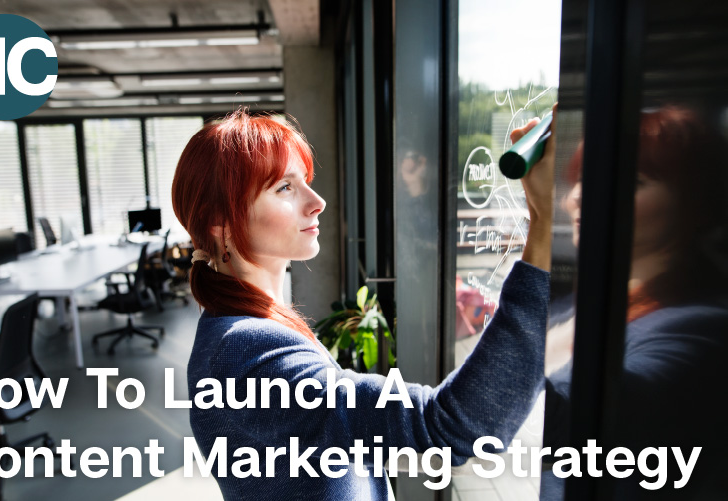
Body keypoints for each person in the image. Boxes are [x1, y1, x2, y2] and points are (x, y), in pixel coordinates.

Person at [171, 109, 556, 500]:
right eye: (284, 188)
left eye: (304, 181)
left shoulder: (241, 327)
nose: (317, 201)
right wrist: (544, 225)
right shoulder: (248, 352)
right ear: (220, 223)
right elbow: (455, 426)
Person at [539, 105, 728, 500]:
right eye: (581, 180)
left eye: (631, 182)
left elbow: (579, 424)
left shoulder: (702, 327)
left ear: (695, 201)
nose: (578, 198)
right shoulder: (600, 297)